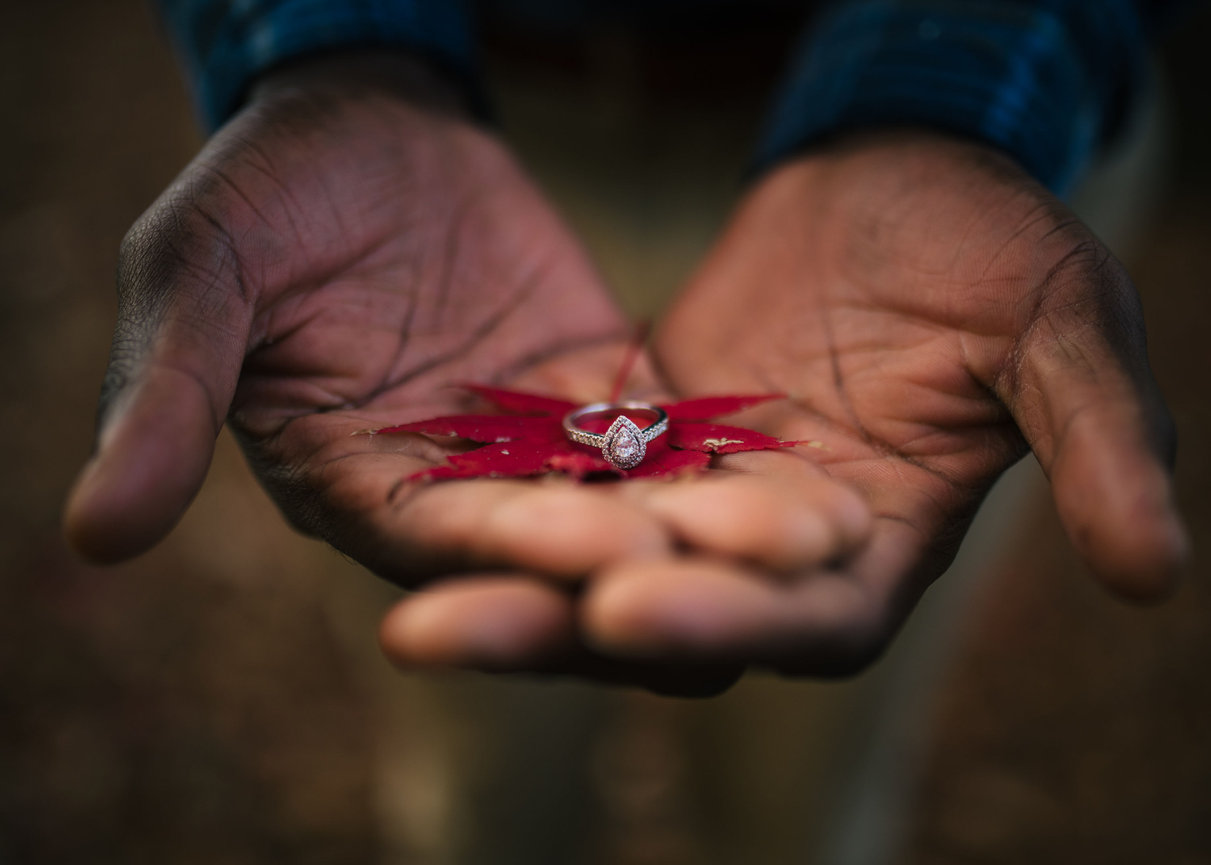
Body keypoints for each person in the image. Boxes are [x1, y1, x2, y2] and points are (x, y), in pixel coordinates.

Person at [64, 0, 1189, 695]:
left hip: (926, 150)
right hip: (454, 135)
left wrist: (942, 82)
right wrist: (338, 49)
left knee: (809, 732)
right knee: (478, 711)